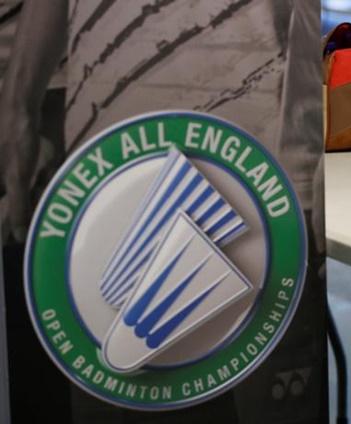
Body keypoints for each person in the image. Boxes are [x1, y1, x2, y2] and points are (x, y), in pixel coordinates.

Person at [0, 1, 327, 422]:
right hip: (112, 148)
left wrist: (312, 158)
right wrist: (19, 102)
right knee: (118, 390)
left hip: (255, 155)